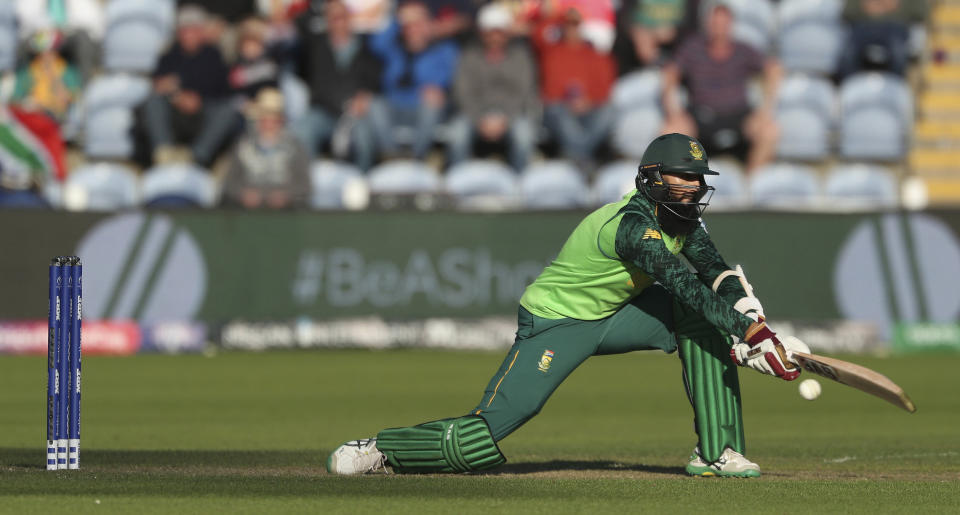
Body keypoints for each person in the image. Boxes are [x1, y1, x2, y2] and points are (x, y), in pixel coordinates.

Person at [325, 133, 810, 478]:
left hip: (620, 315)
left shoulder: (685, 223)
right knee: (487, 434)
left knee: (699, 322)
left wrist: (750, 316)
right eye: (682, 179)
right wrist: (748, 336)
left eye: (698, 180)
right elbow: (683, 282)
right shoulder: (630, 226)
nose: (693, 189)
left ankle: (718, 451)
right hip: (557, 322)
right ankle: (384, 449)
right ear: (652, 179)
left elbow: (716, 271)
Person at [661, 2, 781, 173]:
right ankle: (685, 190)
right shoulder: (692, 48)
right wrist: (674, 111)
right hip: (701, 116)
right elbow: (670, 73)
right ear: (707, 24)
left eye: (723, 24)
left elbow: (774, 69)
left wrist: (766, 109)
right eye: (715, 23)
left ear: (730, 25)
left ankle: (751, 187)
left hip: (739, 115)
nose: (719, 28)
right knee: (670, 132)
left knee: (769, 131)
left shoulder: (743, 49)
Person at [143, 5, 240, 167]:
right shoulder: (169, 55)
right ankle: (163, 151)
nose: (188, 35)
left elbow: (223, 91)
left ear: (202, 32)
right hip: (176, 112)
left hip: (203, 113)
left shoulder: (214, 56)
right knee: (152, 102)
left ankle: (198, 155)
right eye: (184, 30)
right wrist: (177, 96)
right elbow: (158, 85)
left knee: (228, 110)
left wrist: (199, 99)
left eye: (193, 30)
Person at [447, 3, 539, 171]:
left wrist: (505, 119)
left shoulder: (520, 56)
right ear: (482, 33)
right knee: (457, 135)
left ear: (507, 34)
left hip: (511, 114)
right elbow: (462, 92)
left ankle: (519, 185)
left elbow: (524, 92)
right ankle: (457, 181)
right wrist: (479, 119)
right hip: (477, 114)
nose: (495, 37)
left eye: (500, 32)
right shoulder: (470, 55)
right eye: (490, 32)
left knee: (524, 136)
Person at [294, 0, 382, 171]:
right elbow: (299, 22)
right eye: (333, 18)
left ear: (349, 19)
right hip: (323, 111)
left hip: (353, 115)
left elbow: (375, 83)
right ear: (326, 21)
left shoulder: (366, 50)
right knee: (303, 129)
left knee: (364, 137)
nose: (339, 22)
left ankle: (361, 185)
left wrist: (365, 97)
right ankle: (308, 184)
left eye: (342, 17)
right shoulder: (315, 46)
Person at [369, 1, 458, 160]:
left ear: (429, 25)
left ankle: (417, 159)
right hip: (395, 106)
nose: (414, 30)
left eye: (418, 24)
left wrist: (440, 90)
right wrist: (399, 19)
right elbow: (375, 44)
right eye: (409, 26)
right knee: (375, 104)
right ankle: (392, 156)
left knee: (431, 106)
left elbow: (449, 78)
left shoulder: (444, 49)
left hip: (424, 107)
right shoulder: (394, 50)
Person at [531, 4, 617, 167]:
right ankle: (584, 161)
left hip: (589, 108)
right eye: (567, 24)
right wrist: (557, 16)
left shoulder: (595, 54)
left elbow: (605, 88)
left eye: (575, 24)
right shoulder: (552, 52)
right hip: (562, 109)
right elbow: (537, 35)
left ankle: (575, 156)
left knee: (609, 111)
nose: (572, 29)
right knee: (555, 110)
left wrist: (588, 100)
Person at [221, 88, 310, 209]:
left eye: (274, 120)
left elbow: (304, 184)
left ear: (281, 121)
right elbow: (230, 182)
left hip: (286, 213)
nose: (269, 125)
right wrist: (243, 194)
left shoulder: (295, 146)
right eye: (265, 119)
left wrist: (286, 195)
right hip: (246, 212)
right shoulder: (242, 145)